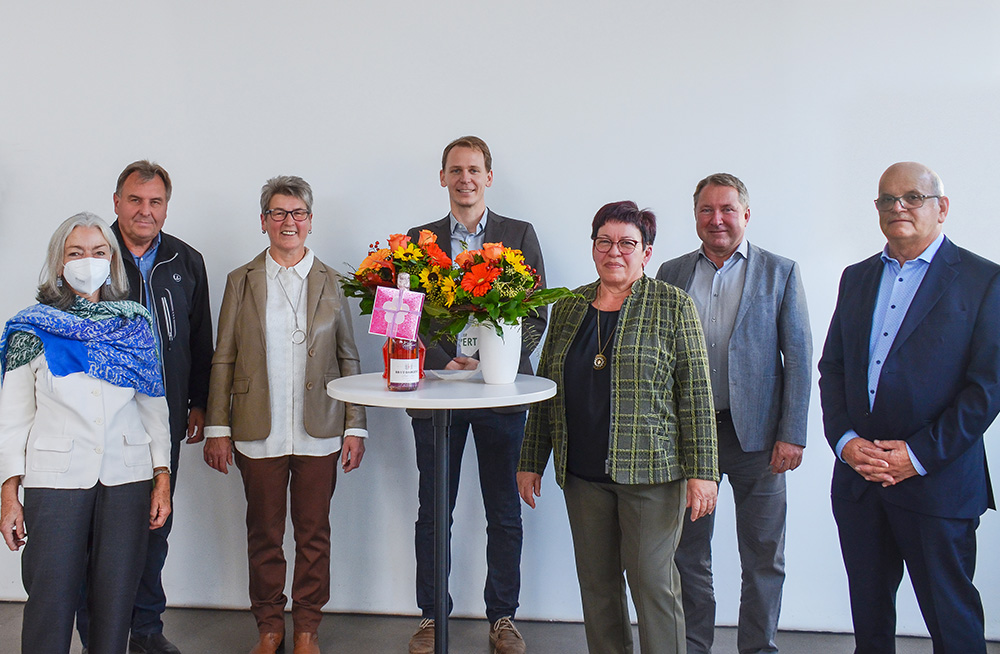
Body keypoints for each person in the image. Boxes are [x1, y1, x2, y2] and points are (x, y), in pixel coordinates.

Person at [518, 200, 719, 654]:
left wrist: (703, 472)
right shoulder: (569, 306)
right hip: (583, 476)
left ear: (646, 253)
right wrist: (531, 460)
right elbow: (547, 387)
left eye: (627, 243)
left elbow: (697, 395)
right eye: (604, 241)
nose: (615, 251)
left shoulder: (673, 305)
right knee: (598, 587)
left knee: (653, 585)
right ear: (593, 247)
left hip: (650, 474)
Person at [818, 161, 1000, 653]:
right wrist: (845, 442)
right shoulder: (856, 279)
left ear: (941, 208)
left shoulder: (984, 280)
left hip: (937, 484)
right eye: (886, 199)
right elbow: (831, 369)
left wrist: (916, 456)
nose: (898, 207)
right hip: (859, 481)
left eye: (912, 197)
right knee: (870, 624)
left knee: (953, 623)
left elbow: (987, 389)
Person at [203, 175, 367, 654]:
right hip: (258, 428)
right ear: (263, 222)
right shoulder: (241, 280)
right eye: (278, 213)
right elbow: (224, 357)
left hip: (321, 428)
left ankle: (308, 628)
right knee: (264, 534)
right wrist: (218, 427)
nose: (288, 221)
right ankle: (269, 626)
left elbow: (349, 357)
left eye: (297, 213)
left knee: (314, 534)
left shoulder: (333, 282)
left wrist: (355, 423)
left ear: (310, 222)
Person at [0, 212, 171, 654]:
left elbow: (154, 407)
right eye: (75, 252)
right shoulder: (32, 326)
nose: (87, 261)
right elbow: (13, 418)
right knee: (50, 598)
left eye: (98, 252)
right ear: (59, 263)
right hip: (55, 480)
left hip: (126, 476)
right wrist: (8, 494)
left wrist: (162, 479)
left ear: (111, 261)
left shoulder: (135, 324)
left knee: (115, 601)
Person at [656, 173, 812, 654]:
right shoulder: (672, 272)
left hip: (760, 439)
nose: (716, 219)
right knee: (687, 554)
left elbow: (800, 357)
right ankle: (693, 645)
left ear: (746, 214)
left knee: (764, 556)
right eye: (706, 210)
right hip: (688, 439)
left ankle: (758, 649)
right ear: (695, 216)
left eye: (727, 210)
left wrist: (793, 433)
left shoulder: (779, 271)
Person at [404, 136, 546, 654]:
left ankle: (503, 617)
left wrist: (493, 364)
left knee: (503, 509)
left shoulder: (518, 234)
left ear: (489, 177)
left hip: (500, 394)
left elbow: (534, 314)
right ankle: (429, 616)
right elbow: (408, 313)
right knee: (433, 509)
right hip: (436, 391)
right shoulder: (419, 240)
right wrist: (445, 362)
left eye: (474, 170)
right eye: (455, 170)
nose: (465, 178)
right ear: (442, 177)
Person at [76, 159, 214, 654]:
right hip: (100, 424)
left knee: (155, 528)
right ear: (116, 202)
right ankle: (99, 638)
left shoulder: (185, 260)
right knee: (98, 537)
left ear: (166, 207)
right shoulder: (92, 255)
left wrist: (200, 403)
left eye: (155, 202)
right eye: (135, 200)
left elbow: (201, 340)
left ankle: (146, 633)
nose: (145, 210)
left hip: (165, 420)